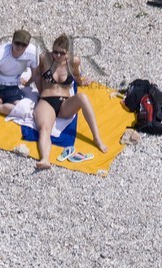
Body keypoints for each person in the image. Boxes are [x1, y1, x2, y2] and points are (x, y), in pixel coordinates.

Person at [29, 35, 106, 170]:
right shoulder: (44, 58)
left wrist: (82, 82)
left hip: (65, 103)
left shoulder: (74, 61)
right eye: (55, 52)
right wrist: (31, 84)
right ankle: (45, 159)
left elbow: (76, 76)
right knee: (45, 128)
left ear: (68, 53)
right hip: (47, 101)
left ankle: (97, 138)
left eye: (61, 53)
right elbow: (36, 74)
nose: (57, 55)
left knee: (82, 97)